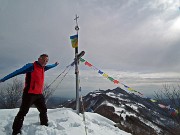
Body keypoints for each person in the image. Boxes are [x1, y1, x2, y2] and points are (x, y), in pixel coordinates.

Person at [0, 54, 59, 135]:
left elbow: (49, 66)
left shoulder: (43, 67)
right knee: (22, 113)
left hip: (39, 94)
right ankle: (16, 131)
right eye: (44, 60)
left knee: (43, 110)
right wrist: (3, 79)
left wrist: (55, 65)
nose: (45, 62)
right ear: (39, 59)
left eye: (46, 61)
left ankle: (44, 125)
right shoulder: (31, 66)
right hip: (29, 94)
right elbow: (17, 72)